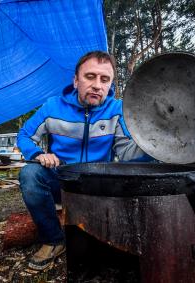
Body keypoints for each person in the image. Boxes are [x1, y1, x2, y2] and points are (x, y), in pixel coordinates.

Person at [17, 51, 152, 270]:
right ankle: (53, 240)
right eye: (90, 76)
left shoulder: (117, 110)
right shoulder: (52, 107)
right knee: (30, 174)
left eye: (104, 79)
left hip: (101, 183)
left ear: (110, 84)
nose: (97, 85)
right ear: (76, 80)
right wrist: (37, 154)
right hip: (63, 180)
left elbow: (127, 152)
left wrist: (155, 145)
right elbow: (24, 135)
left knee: (149, 169)